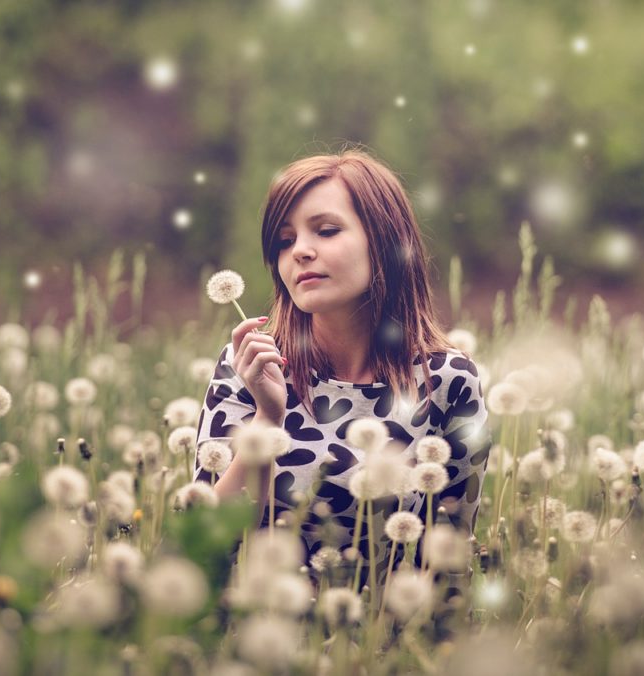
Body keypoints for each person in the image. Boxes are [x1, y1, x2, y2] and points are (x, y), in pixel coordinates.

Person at [193, 147, 490, 589]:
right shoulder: (252, 366)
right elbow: (204, 542)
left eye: (327, 231)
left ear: (387, 241)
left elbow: (448, 557)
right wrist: (267, 418)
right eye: (285, 241)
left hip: (381, 643)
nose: (301, 253)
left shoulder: (448, 381)